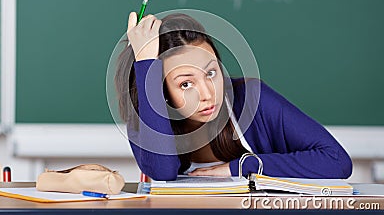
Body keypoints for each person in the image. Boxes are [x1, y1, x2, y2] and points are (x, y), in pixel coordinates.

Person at [115, 12, 353, 181]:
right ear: (160, 91)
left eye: (211, 72)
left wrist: (239, 167)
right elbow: (162, 171)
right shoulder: (146, 114)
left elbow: (337, 161)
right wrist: (145, 64)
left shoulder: (251, 98)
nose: (209, 93)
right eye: (186, 84)